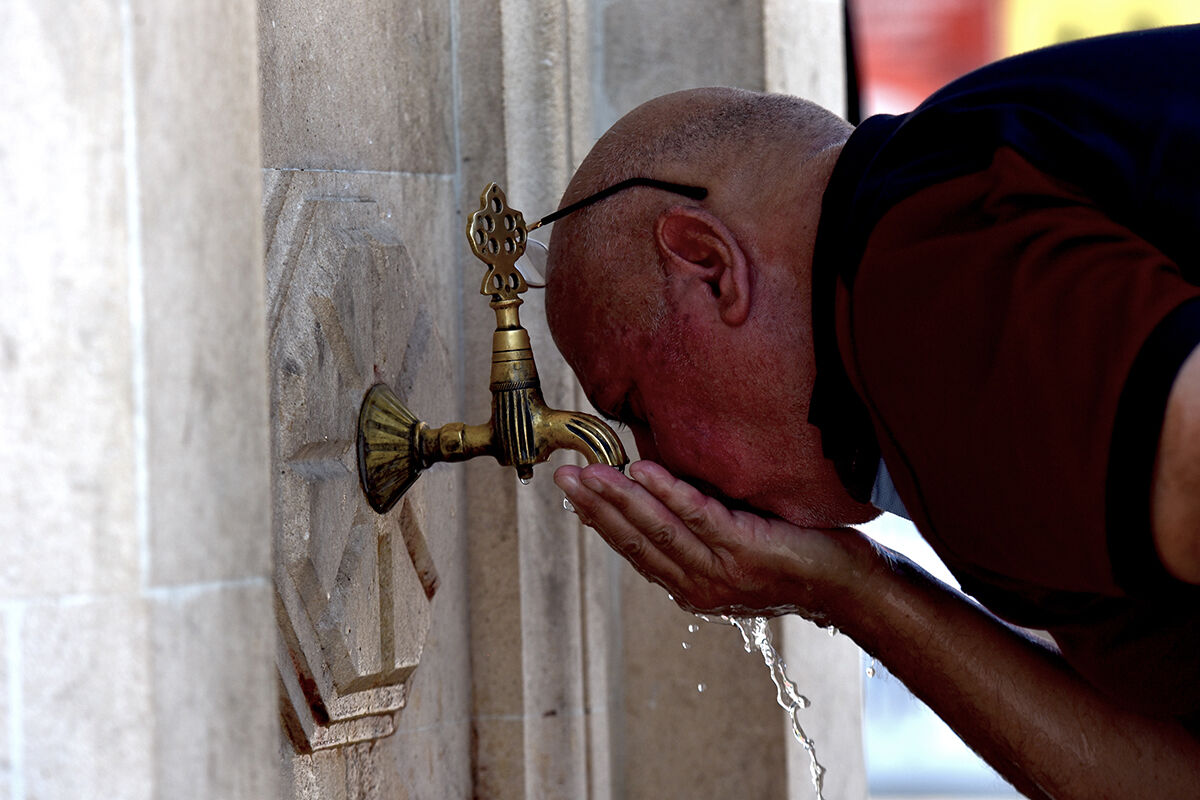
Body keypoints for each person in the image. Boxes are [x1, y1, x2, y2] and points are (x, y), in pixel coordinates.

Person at [544, 25, 1200, 800]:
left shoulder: (916, 284)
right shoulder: (914, 301)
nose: (652, 465)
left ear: (709, 268)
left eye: (635, 407)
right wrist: (856, 591)